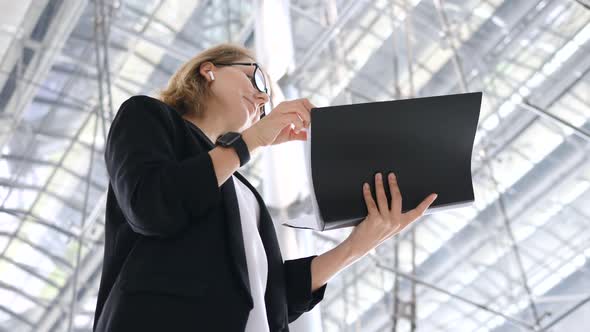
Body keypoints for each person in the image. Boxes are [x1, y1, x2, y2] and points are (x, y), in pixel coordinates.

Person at [92, 43, 437, 332]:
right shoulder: (147, 116)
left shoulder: (240, 188)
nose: (261, 99)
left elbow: (266, 296)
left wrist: (358, 245)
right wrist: (250, 141)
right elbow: (152, 205)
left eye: (265, 106)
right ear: (208, 70)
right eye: (255, 78)